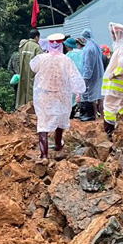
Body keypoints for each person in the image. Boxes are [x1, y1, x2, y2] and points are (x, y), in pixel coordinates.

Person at [30, 33, 86, 161]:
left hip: (44, 95)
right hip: (62, 95)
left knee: (43, 123)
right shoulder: (66, 60)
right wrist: (79, 91)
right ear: (61, 44)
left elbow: (32, 67)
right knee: (60, 118)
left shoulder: (41, 58)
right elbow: (74, 77)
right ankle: (57, 144)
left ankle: (44, 155)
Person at [78, 29, 105, 121]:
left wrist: (86, 77)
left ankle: (92, 116)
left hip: (92, 77)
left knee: (90, 96)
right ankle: (101, 116)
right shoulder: (95, 46)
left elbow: (88, 65)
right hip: (98, 75)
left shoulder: (89, 48)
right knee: (99, 97)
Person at [15, 29, 42, 108]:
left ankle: (21, 106)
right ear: (36, 37)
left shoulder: (23, 45)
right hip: (32, 73)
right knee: (32, 90)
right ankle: (32, 108)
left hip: (23, 71)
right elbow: (40, 61)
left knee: (23, 89)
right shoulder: (37, 47)